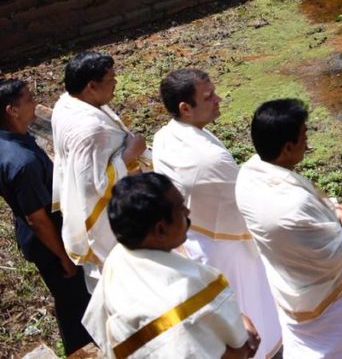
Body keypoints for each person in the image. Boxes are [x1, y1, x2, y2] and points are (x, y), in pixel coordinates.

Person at [235, 99, 342, 359]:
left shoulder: (248, 176)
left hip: (289, 290)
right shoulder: (295, 206)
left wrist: (328, 209)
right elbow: (338, 252)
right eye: (304, 136)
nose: (308, 143)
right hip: (326, 302)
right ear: (287, 148)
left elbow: (304, 221)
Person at [153, 69, 282, 358]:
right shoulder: (209, 159)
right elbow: (248, 204)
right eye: (209, 97)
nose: (218, 99)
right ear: (185, 108)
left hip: (197, 236)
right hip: (231, 246)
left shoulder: (165, 135)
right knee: (252, 302)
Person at [83, 172, 261, 358]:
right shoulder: (185, 293)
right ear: (160, 230)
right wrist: (245, 334)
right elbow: (235, 350)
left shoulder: (118, 257)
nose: (187, 212)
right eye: (180, 208)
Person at [0, 78, 94, 354]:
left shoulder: (11, 141)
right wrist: (64, 258)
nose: (35, 103)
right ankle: (80, 350)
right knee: (74, 304)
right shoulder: (22, 162)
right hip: (49, 243)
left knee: (71, 300)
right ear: (12, 111)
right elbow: (36, 219)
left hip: (40, 237)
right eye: (29, 99)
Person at [51, 52, 148, 291]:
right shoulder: (90, 130)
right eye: (111, 80)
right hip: (106, 224)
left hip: (95, 212)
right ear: (91, 86)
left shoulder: (66, 103)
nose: (116, 84)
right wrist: (131, 153)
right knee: (121, 284)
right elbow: (96, 186)